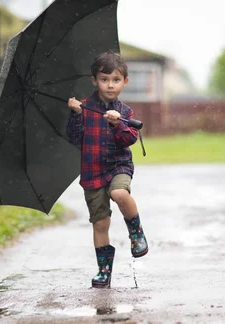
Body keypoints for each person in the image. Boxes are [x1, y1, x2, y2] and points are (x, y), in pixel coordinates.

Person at [66, 50, 148, 289]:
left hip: (118, 166)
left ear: (125, 82)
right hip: (92, 171)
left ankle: (136, 233)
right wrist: (75, 115)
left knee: (120, 193)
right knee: (100, 224)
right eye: (104, 79)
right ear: (94, 81)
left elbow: (129, 140)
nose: (110, 85)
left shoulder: (125, 112)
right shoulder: (85, 107)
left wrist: (116, 124)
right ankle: (104, 270)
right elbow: (74, 138)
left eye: (116, 80)